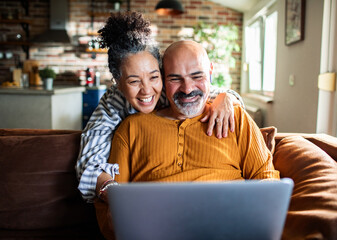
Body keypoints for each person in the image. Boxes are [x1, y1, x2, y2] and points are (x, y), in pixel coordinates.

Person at [95, 40, 279, 239]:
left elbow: (267, 182)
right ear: (163, 80)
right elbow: (113, 203)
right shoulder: (131, 128)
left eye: (196, 76)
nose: (187, 88)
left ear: (210, 71)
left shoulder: (237, 118)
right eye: (175, 79)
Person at [75, 12, 245, 203]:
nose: (147, 90)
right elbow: (90, 163)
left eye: (154, 77)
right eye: (133, 81)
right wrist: (113, 192)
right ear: (117, 82)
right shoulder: (113, 103)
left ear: (162, 73)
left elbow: (204, 91)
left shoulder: (171, 90)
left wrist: (227, 97)